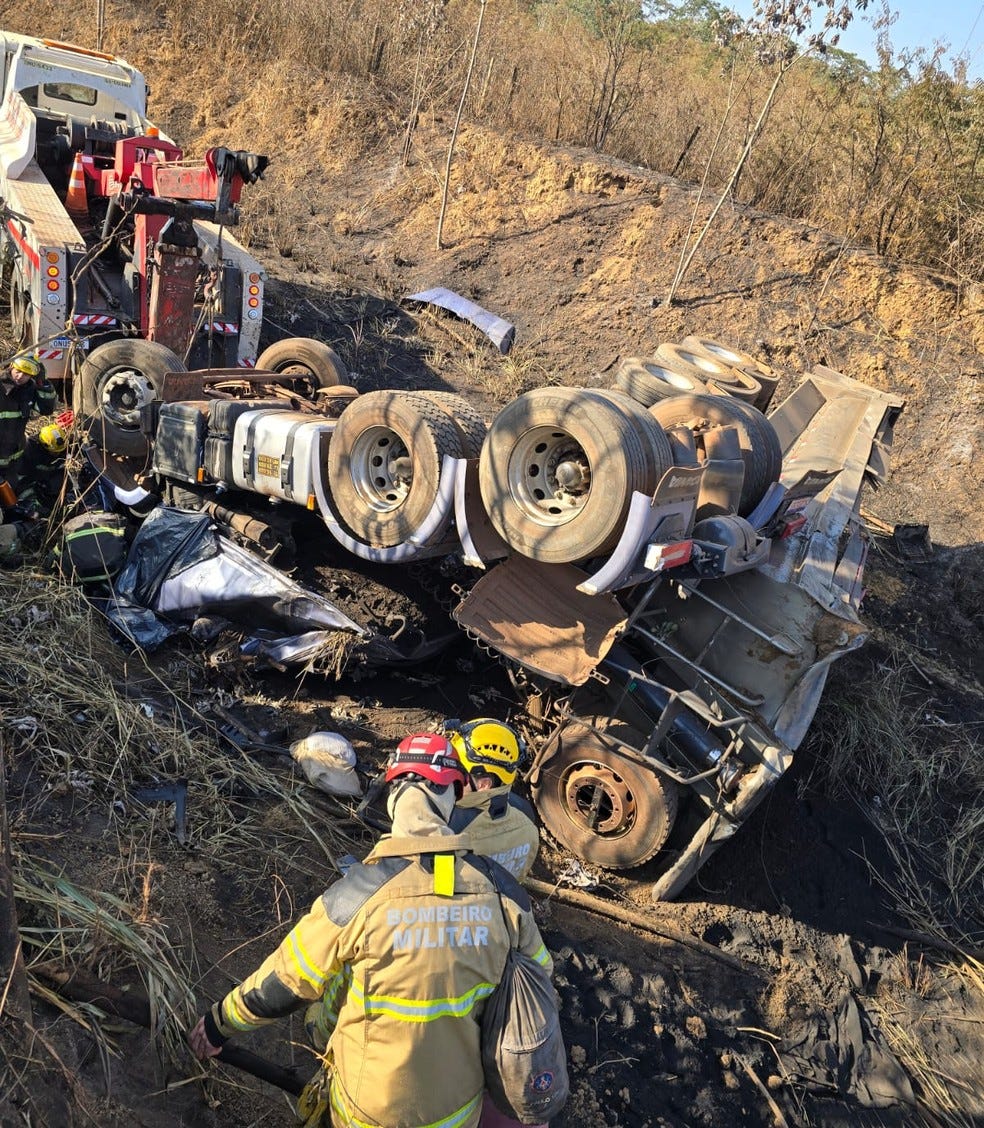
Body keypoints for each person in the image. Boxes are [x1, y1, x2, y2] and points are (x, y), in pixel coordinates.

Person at [189, 732, 553, 1128]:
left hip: (366, 1114)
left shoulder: (358, 895)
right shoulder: (503, 894)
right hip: (458, 1115)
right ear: (454, 795)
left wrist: (217, 1024)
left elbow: (284, 983)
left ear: (394, 791)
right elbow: (539, 977)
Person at [447, 718, 540, 884]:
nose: (449, 776)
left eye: (458, 770)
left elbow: (442, 890)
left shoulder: (448, 828)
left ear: (483, 784)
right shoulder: (526, 816)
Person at [0, 357, 57, 502]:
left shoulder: (29, 390)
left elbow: (46, 409)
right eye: (17, 371)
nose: (20, 376)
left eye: (25, 374)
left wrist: (42, 384)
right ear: (11, 366)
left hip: (13, 461)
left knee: (10, 498)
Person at [19, 423, 68, 515]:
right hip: (30, 481)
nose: (57, 454)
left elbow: (61, 468)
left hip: (48, 480)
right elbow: (22, 475)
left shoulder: (62, 448)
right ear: (44, 444)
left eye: (59, 452)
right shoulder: (29, 450)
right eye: (54, 452)